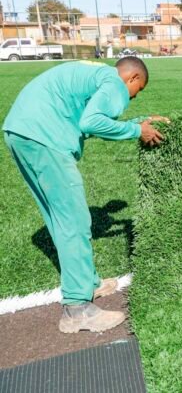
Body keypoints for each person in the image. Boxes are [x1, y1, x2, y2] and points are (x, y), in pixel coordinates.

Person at [3, 57, 169, 333]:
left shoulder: (98, 74)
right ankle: (78, 309)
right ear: (132, 79)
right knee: (74, 221)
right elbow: (92, 122)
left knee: (60, 218)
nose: (134, 97)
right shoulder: (114, 83)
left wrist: (139, 123)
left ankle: (88, 283)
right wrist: (136, 130)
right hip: (45, 137)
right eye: (137, 91)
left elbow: (87, 121)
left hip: (22, 131)